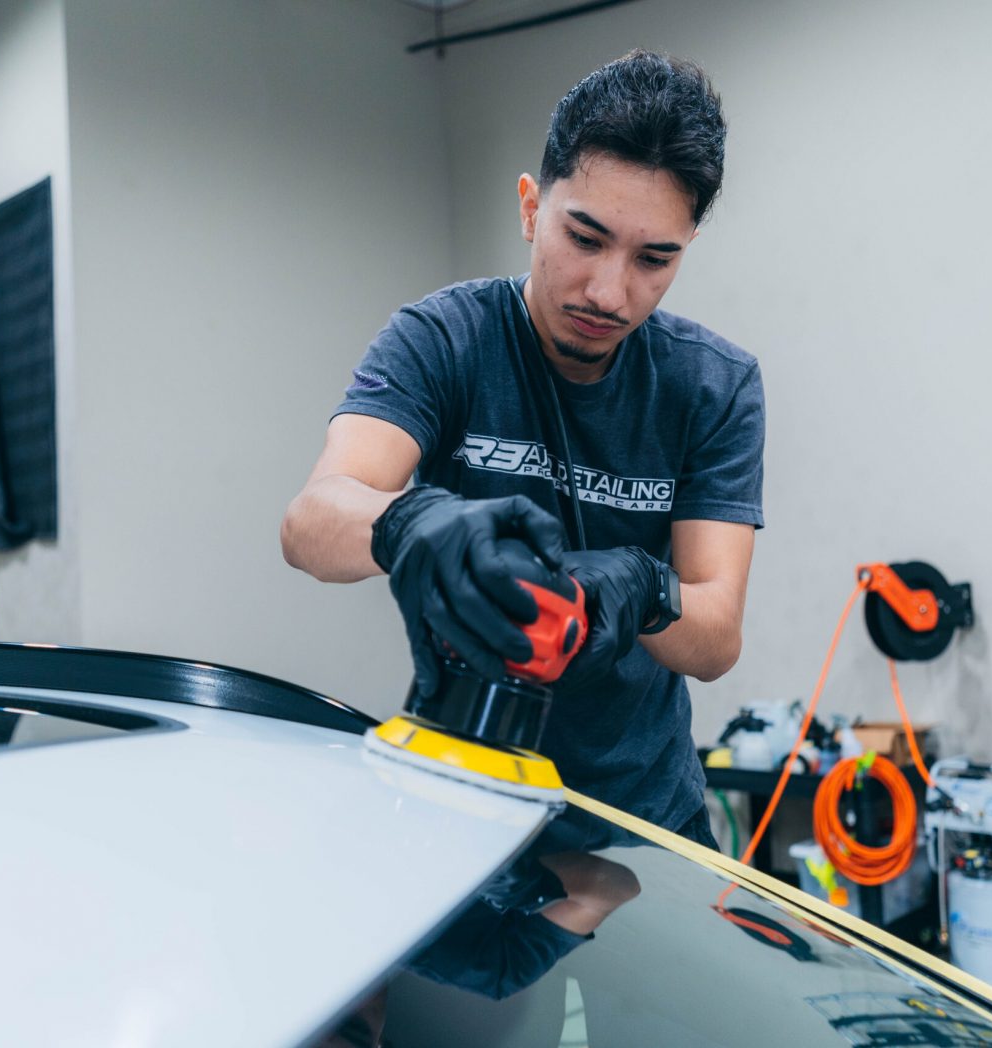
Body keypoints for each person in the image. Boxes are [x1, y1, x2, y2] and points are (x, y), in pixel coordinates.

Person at [281, 49, 764, 842]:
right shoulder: (445, 338)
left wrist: (645, 590)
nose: (610, 292)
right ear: (532, 208)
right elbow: (310, 524)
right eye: (585, 237)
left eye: (654, 259)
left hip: (644, 814)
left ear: (687, 248)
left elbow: (715, 636)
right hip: (462, 799)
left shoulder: (714, 385)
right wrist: (410, 523)